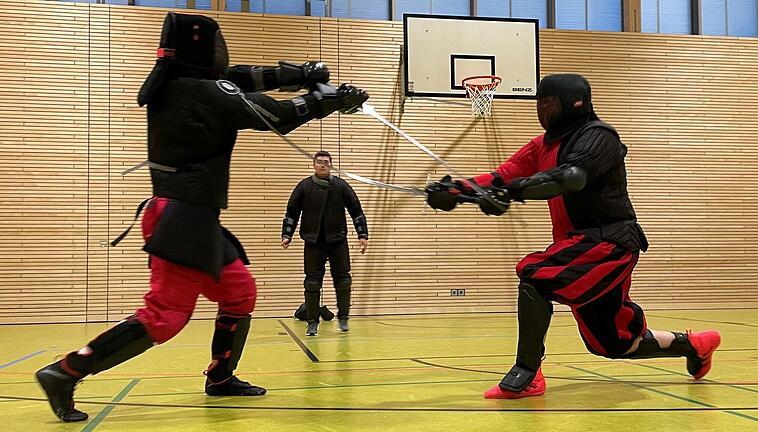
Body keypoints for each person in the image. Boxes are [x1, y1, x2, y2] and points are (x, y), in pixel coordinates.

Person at [35, 12, 368, 422]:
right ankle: (65, 372)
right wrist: (324, 101)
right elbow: (274, 115)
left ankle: (220, 376)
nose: (221, 53)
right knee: (165, 317)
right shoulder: (198, 92)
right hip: (180, 221)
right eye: (215, 45)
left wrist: (300, 73)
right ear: (199, 49)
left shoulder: (182, 82)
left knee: (239, 291)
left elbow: (241, 76)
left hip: (193, 219)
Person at [426, 73, 721, 399]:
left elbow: (570, 177)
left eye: (549, 103)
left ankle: (528, 372)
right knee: (614, 344)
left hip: (608, 242)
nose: (543, 110)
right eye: (540, 103)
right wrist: (456, 191)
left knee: (535, 277)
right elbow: (502, 176)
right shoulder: (543, 144)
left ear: (571, 103)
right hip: (579, 246)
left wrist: (511, 192)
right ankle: (694, 345)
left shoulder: (599, 136)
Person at [281, 151, 369, 336]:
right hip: (313, 242)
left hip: (337, 240)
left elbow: (356, 211)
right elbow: (291, 213)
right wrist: (286, 234)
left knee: (343, 281)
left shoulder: (340, 186)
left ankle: (343, 318)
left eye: (326, 162)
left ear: (331, 165)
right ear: (314, 164)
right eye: (319, 162)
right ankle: (312, 322)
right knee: (312, 283)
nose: (322, 165)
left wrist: (363, 235)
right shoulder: (304, 187)